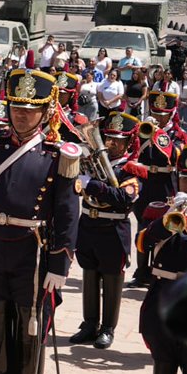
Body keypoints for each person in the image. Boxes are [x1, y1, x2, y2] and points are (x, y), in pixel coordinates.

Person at [0, 69, 81, 374]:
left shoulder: (57, 155)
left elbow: (67, 214)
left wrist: (60, 263)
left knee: (30, 316)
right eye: (16, 109)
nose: (21, 116)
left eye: (29, 110)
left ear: (45, 112)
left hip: (32, 248)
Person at [70, 112, 141, 350]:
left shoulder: (132, 169)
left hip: (113, 229)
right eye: (108, 138)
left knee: (111, 279)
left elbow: (124, 199)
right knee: (89, 275)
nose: (111, 144)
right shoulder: (93, 162)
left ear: (128, 143)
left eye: (118, 140)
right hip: (89, 224)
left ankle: (107, 328)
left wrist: (94, 185)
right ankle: (89, 324)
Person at [135, 143, 187, 374]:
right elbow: (143, 243)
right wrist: (168, 222)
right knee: (163, 369)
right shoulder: (163, 208)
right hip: (163, 300)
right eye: (185, 179)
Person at [126, 90, 187, 289]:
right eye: (156, 112)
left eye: (163, 113)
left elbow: (178, 156)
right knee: (142, 226)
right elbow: (134, 152)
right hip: (147, 183)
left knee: (165, 228)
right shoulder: (144, 129)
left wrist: (158, 134)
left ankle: (158, 270)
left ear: (171, 113)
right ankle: (141, 271)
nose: (159, 117)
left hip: (167, 185)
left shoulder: (178, 134)